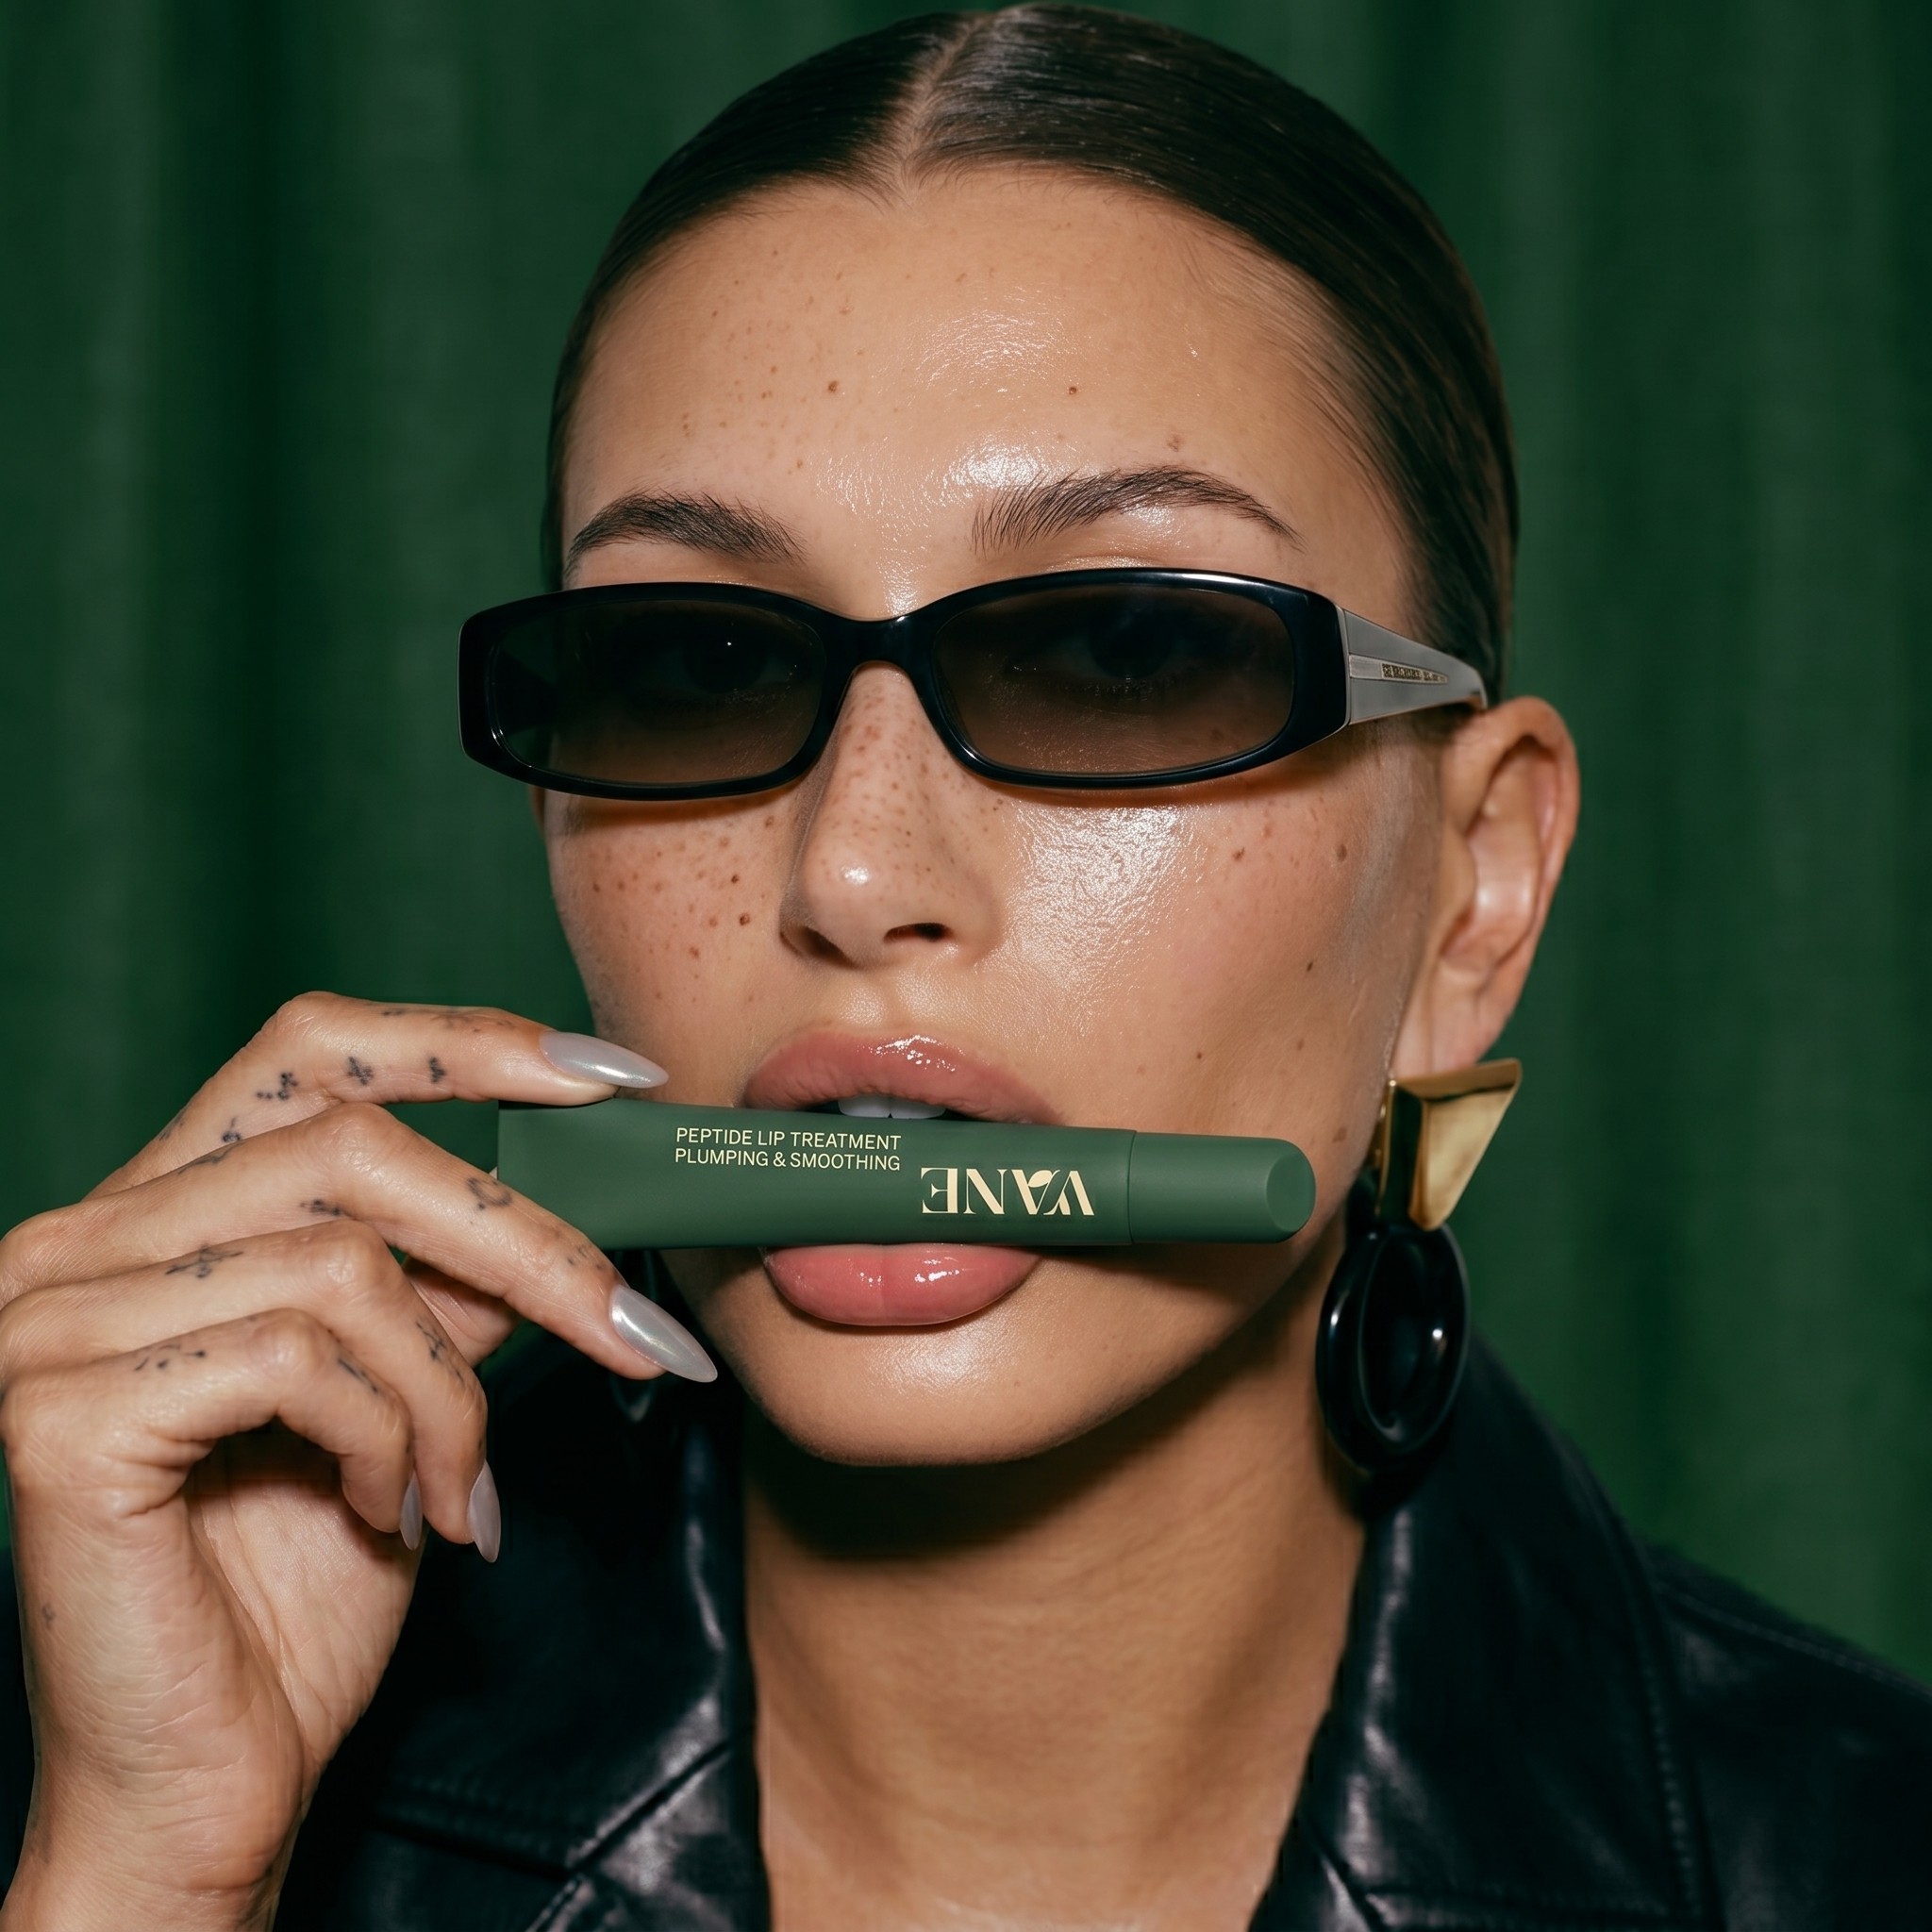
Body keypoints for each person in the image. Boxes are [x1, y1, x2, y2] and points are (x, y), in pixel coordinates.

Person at [1, 8, 1926, 1927]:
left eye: (1121, 656)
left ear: (1473, 890)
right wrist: (152, 1872)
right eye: (696, 665)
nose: (854, 872)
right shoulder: (156, 1788)